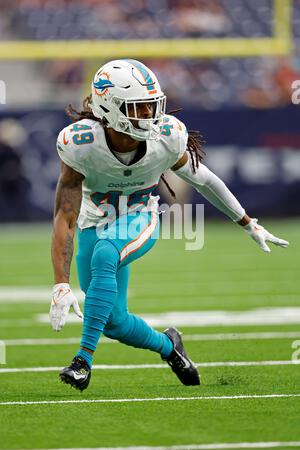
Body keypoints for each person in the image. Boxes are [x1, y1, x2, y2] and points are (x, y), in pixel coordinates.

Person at [50, 59, 289, 391]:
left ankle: (82, 361)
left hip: (140, 217)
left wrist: (248, 223)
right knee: (114, 322)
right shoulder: (80, 143)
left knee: (106, 254)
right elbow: (65, 213)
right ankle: (170, 347)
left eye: (152, 105)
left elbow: (204, 180)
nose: (150, 114)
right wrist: (60, 283)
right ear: (110, 108)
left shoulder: (166, 136)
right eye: (139, 107)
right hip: (94, 222)